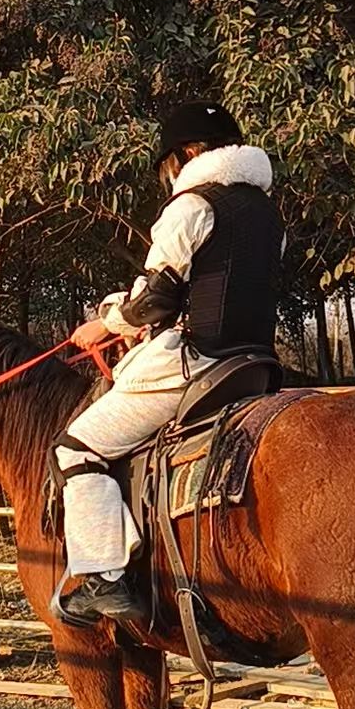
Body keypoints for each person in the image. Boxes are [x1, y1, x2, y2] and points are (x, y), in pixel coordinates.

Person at [53, 101, 283, 625]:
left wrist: (106, 324)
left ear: (187, 154)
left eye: (168, 164)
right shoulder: (267, 214)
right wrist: (124, 308)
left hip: (193, 364)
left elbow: (159, 298)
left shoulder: (192, 205)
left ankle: (105, 578)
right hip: (252, 365)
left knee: (76, 449)